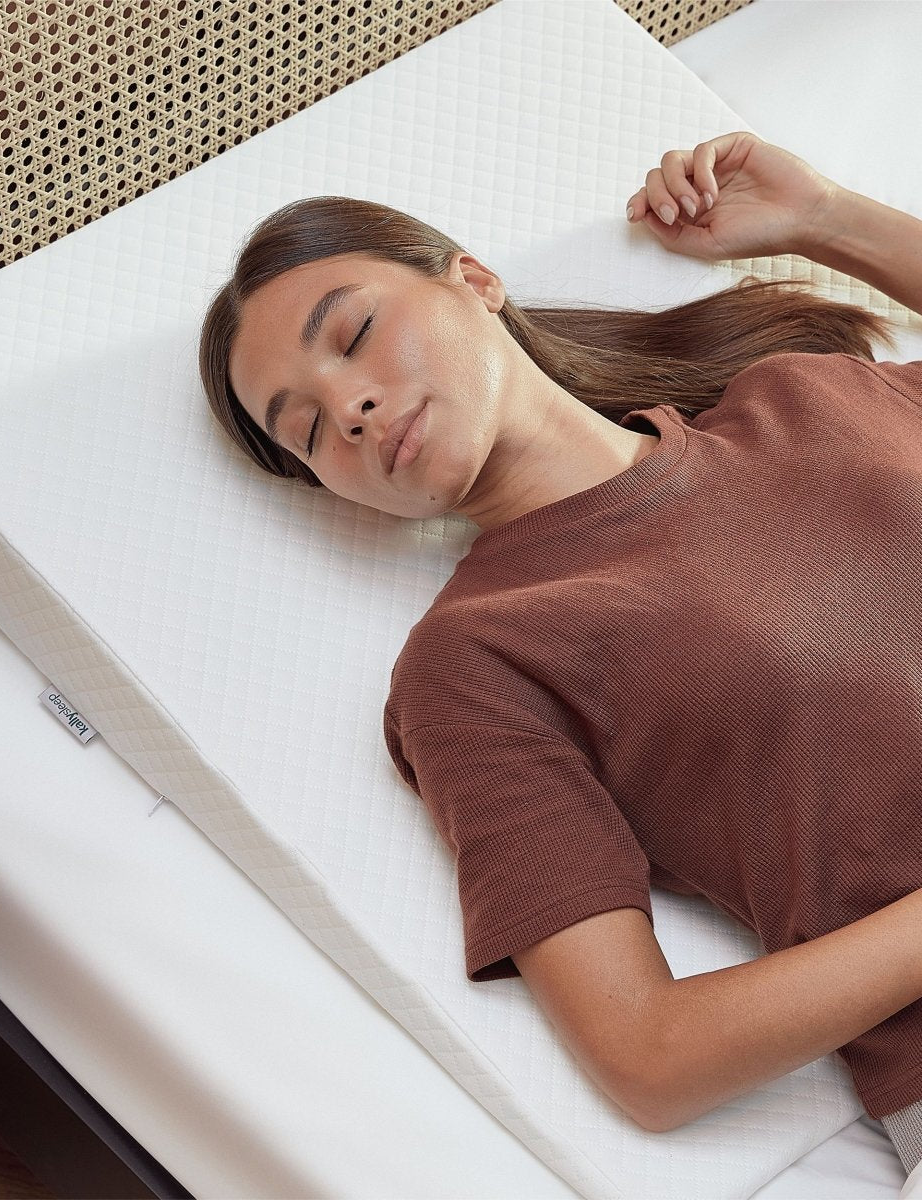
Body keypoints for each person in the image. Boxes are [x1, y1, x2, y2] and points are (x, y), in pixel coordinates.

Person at [199, 130, 922, 1191]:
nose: (348, 408)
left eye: (353, 334)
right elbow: (650, 1055)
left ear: (477, 281)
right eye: (307, 431)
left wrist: (830, 220)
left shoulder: (808, 400)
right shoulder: (474, 663)